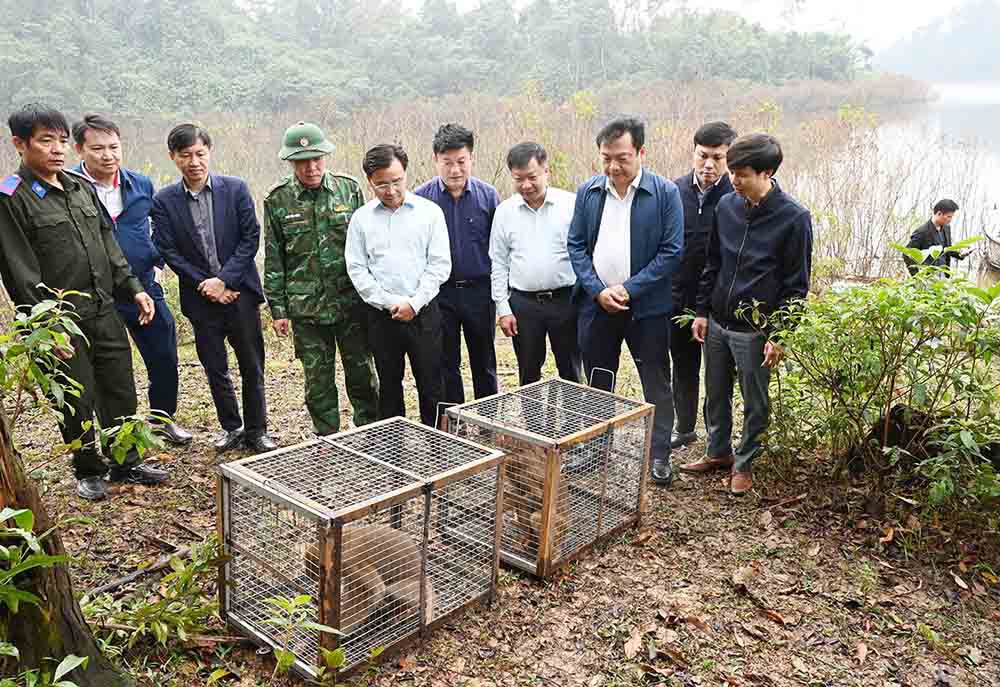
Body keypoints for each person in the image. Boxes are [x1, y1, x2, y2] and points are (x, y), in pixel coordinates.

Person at [0, 104, 168, 500]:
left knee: (120, 386)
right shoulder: (12, 197)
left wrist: (135, 287)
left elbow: (108, 245)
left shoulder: (80, 189)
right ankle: (88, 468)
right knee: (76, 395)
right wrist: (47, 329)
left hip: (104, 308)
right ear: (19, 144)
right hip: (61, 322)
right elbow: (19, 272)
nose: (57, 149)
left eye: (61, 141)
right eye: (46, 141)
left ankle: (125, 459)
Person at [685, 133, 813, 495]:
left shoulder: (794, 218)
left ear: (767, 173)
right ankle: (718, 452)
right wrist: (702, 311)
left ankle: (745, 463)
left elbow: (796, 285)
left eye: (742, 174)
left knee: (755, 400)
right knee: (716, 392)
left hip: (755, 331)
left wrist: (781, 333)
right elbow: (713, 262)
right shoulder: (727, 206)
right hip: (718, 322)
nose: (734, 180)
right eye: (733, 172)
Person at [567, 117, 683, 486]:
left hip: (647, 308)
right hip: (597, 305)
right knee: (599, 377)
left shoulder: (664, 193)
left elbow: (671, 252)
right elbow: (576, 246)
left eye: (622, 157)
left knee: (655, 379)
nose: (613, 166)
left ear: (641, 153)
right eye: (606, 158)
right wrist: (597, 289)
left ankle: (659, 452)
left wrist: (629, 289)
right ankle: (596, 448)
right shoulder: (589, 192)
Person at [151, 124, 276, 453]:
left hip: (240, 295)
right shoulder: (164, 201)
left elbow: (250, 238)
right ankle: (232, 426)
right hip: (201, 300)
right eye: (186, 155)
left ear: (209, 153)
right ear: (173, 158)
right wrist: (206, 284)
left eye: (200, 154)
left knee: (252, 363)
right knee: (215, 366)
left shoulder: (235, 189)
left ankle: (257, 429)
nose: (194, 161)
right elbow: (168, 250)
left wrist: (226, 280)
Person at [71, 114, 192, 446]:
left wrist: (156, 263)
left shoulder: (140, 184)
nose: (108, 155)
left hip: (143, 288)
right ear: (80, 150)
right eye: (98, 148)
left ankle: (163, 419)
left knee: (164, 352)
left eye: (114, 147)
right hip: (94, 294)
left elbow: (153, 227)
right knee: (107, 369)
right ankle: (113, 434)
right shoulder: (69, 189)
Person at [263, 122, 378, 436]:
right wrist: (279, 310)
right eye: (302, 161)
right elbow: (275, 259)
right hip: (306, 309)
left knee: (361, 372)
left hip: (350, 301)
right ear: (291, 162)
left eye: (316, 159)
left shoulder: (348, 189)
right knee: (317, 379)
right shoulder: (277, 201)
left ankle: (370, 432)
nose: (311, 167)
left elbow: (368, 245)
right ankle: (327, 437)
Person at [346, 144, 451, 427]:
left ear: (406, 173)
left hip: (423, 312)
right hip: (382, 316)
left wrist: (414, 303)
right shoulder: (361, 219)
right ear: (370, 182)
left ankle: (438, 447)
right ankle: (395, 454)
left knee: (432, 383)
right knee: (389, 386)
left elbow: (440, 265)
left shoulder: (429, 213)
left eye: (396, 181)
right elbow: (357, 269)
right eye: (381, 184)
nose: (390, 190)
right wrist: (388, 302)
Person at [415, 124, 500, 403]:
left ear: (471, 159)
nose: (455, 170)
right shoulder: (421, 199)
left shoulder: (488, 196)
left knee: (484, 361)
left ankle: (488, 420)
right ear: (435, 160)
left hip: (479, 292)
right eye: (447, 163)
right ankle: (455, 426)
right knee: (445, 362)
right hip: (440, 294)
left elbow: (499, 250)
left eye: (461, 162)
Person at [490, 142, 581, 386]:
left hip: (566, 300)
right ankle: (531, 424)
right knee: (528, 373)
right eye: (519, 179)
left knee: (571, 370)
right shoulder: (504, 212)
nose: (526, 185)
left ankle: (577, 423)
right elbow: (498, 263)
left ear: (546, 171)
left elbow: (585, 253)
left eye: (532, 177)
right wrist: (503, 308)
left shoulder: (570, 205)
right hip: (524, 304)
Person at [669, 122, 737, 450]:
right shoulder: (674, 191)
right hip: (677, 299)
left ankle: (716, 434)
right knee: (682, 366)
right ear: (693, 153)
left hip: (717, 303)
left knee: (718, 374)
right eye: (702, 156)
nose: (708, 165)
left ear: (729, 159)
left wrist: (708, 307)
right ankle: (683, 427)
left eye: (718, 158)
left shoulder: (736, 196)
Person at [904, 199, 968, 275]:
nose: (950, 220)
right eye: (948, 217)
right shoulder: (922, 231)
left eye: (951, 217)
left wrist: (960, 254)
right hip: (928, 277)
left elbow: (946, 249)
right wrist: (916, 276)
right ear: (939, 213)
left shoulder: (947, 228)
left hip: (944, 274)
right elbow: (907, 253)